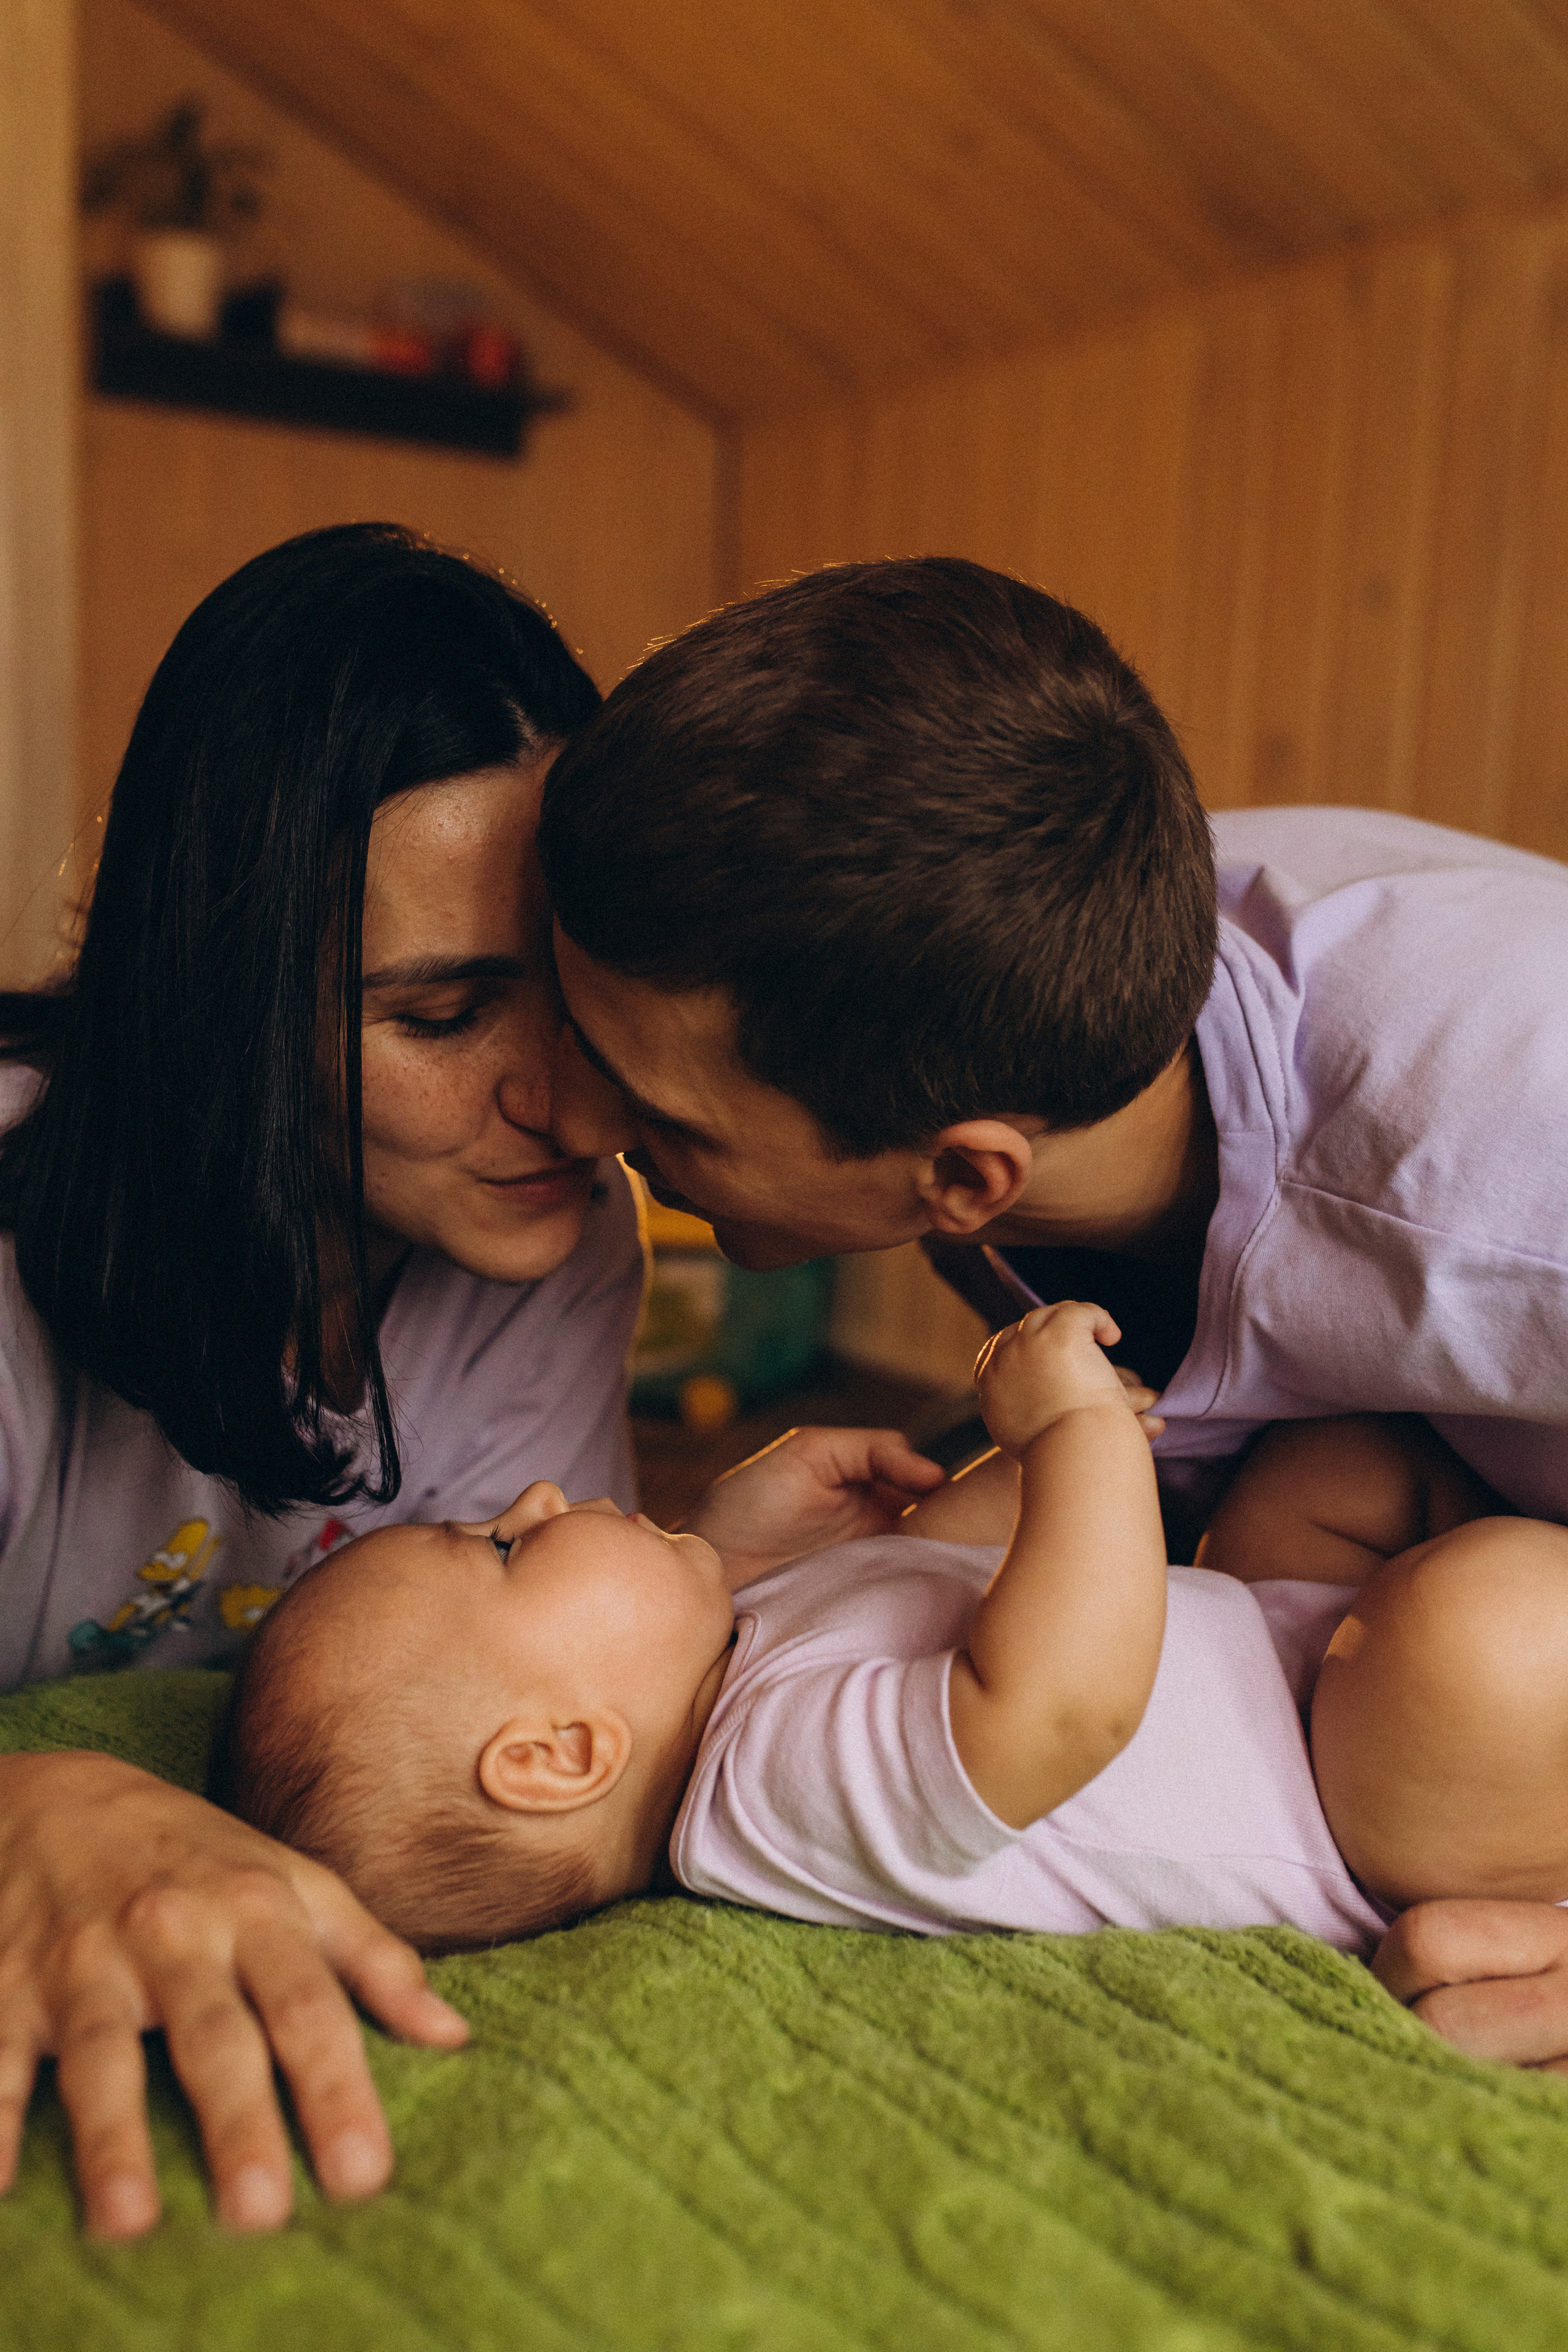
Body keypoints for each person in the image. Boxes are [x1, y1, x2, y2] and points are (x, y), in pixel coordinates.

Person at [0, 525, 943, 2239]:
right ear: (215, 993)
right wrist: (38, 1795)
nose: (578, 1121)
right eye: (442, 1018)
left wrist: (704, 1576)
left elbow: (479, 1729)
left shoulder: (546, 1247)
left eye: (582, 1013)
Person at [533, 554, 1568, 2052]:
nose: (565, 1121)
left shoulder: (1497, 1187)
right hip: (1422, 1505)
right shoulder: (1007, 976)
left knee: (1474, 1652)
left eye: (654, 1112)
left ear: (966, 1180)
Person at [213, 1311, 1568, 2060]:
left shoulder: (733, 1666)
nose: (541, 1497)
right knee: (1469, 1632)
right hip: (1359, 1812)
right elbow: (1054, 1703)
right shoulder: (765, 1795)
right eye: (505, 1551)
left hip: (1292, 1655)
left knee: (1322, 1470)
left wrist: (987, 1488)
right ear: (562, 1755)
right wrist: (1078, 1437)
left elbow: (958, 1573)